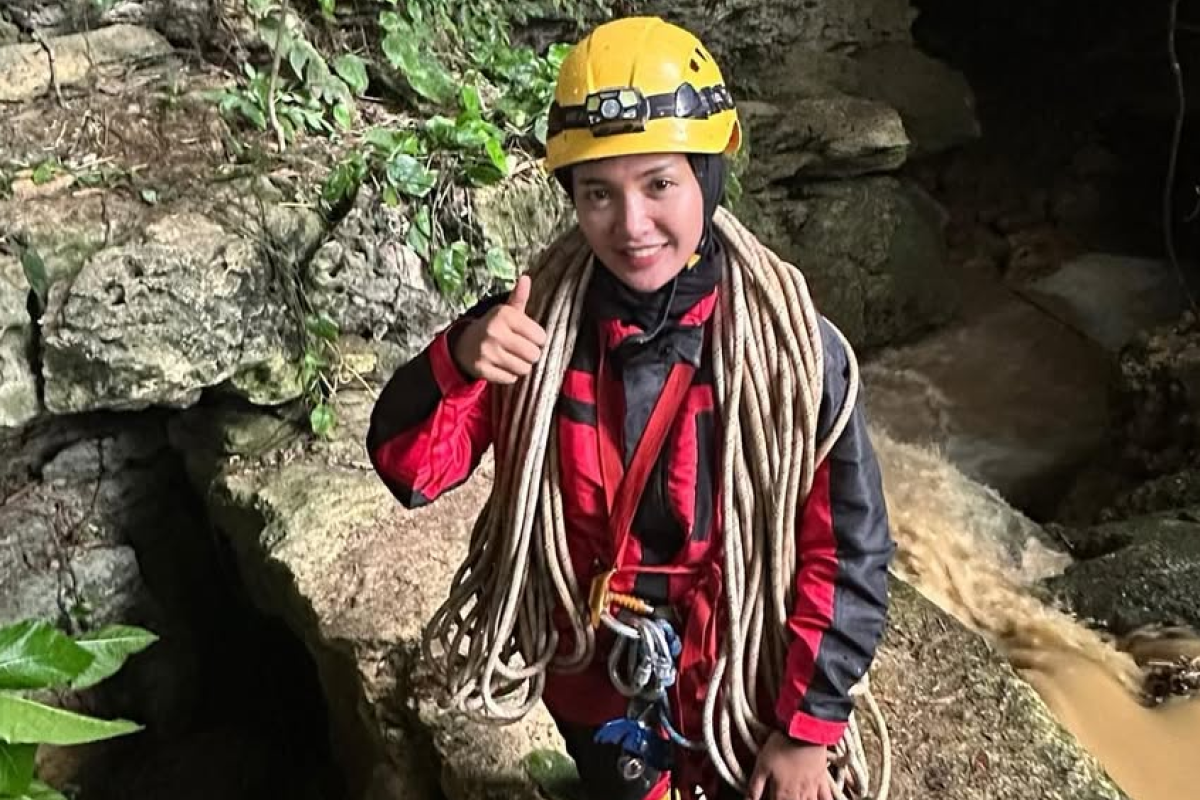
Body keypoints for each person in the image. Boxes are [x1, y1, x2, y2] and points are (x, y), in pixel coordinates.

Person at [367, 16, 894, 800]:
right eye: (598, 194)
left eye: (659, 184)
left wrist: (803, 733)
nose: (632, 224)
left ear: (708, 178)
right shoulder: (527, 334)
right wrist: (457, 358)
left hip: (742, 686)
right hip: (599, 683)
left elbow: (844, 554)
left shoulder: (790, 354)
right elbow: (413, 472)